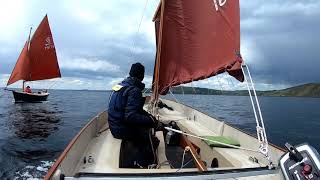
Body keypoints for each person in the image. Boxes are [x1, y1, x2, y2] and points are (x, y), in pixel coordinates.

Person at [108, 63, 161, 147]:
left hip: (113, 127)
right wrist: (151, 121)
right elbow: (130, 117)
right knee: (154, 141)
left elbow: (135, 110)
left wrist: (149, 117)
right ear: (142, 76)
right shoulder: (134, 90)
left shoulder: (120, 86)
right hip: (121, 130)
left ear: (130, 73)